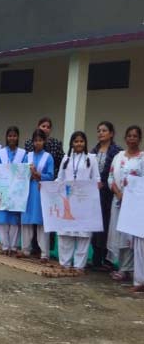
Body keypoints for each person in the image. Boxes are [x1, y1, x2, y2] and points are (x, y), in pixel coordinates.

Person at [56, 131, 100, 272]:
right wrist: (47, 187)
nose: (79, 144)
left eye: (81, 141)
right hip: (68, 201)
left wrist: (97, 185)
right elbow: (60, 178)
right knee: (66, 233)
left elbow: (96, 178)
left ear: (85, 143)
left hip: (84, 202)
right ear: (72, 143)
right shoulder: (66, 158)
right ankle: (65, 263)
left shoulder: (91, 158)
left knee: (83, 234)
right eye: (76, 141)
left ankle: (79, 266)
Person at [107, 125, 143, 282]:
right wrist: (119, 194)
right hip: (118, 201)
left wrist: (130, 197)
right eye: (129, 136)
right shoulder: (118, 156)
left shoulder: (142, 158)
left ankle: (128, 269)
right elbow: (110, 178)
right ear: (125, 138)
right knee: (118, 233)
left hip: (135, 204)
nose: (132, 139)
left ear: (139, 139)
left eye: (135, 136)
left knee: (130, 235)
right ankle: (121, 267)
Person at [19, 129, 54, 261]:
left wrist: (39, 175)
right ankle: (25, 250)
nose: (37, 143)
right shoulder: (27, 156)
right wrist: (29, 173)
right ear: (32, 142)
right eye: (35, 140)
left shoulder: (48, 157)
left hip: (41, 192)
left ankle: (44, 253)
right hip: (28, 191)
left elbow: (51, 176)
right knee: (26, 221)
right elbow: (21, 173)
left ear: (44, 141)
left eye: (40, 140)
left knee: (41, 222)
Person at [91, 121, 120, 271]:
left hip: (108, 196)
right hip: (93, 195)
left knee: (107, 226)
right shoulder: (93, 151)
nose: (101, 133)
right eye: (98, 130)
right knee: (94, 226)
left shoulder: (117, 152)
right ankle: (96, 259)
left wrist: (105, 183)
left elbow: (117, 174)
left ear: (111, 133)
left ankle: (107, 260)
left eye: (104, 130)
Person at [0, 126, 26, 256]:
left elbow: (25, 171)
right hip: (2, 189)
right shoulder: (1, 153)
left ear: (18, 137)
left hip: (16, 190)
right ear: (6, 137)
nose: (12, 138)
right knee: (2, 218)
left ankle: (13, 247)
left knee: (14, 220)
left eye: (14, 136)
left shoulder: (23, 154)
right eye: (10, 136)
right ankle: (4, 246)